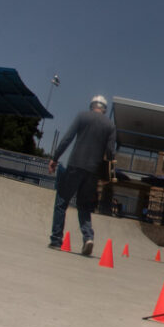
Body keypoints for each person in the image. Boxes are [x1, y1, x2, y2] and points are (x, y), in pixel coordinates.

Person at [48, 95, 117, 255]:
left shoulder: (82, 116)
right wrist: (108, 176)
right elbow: (110, 152)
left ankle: (56, 240)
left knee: (61, 202)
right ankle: (88, 237)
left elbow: (67, 139)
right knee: (84, 206)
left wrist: (55, 158)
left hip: (75, 165)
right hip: (93, 171)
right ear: (105, 109)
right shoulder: (110, 125)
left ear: (91, 105)